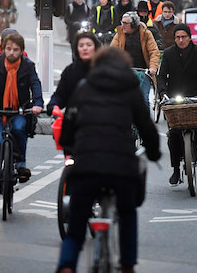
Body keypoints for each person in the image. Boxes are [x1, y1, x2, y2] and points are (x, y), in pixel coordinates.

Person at [55, 47, 161, 273]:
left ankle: (66, 266)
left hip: (86, 166)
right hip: (121, 167)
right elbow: (146, 127)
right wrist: (154, 153)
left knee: (76, 224)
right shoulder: (130, 89)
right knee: (127, 213)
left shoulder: (84, 87)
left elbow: (67, 129)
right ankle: (127, 265)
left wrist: (72, 146)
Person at [0, 33, 43, 195]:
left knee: (20, 129)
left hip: (20, 109)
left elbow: (35, 84)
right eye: (8, 49)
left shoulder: (27, 65)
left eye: (15, 50)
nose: (11, 53)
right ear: (3, 49)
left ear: (21, 51)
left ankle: (21, 164)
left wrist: (38, 104)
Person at [157, 24, 197, 185]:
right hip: (174, 96)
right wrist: (162, 92)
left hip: (195, 93)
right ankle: (176, 170)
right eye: (177, 37)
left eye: (184, 37)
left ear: (189, 37)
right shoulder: (168, 54)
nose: (181, 40)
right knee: (174, 134)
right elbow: (161, 76)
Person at [111, 11, 160, 107]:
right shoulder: (120, 34)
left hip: (144, 71)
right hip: (125, 72)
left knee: (144, 100)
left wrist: (153, 67)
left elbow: (154, 52)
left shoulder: (146, 34)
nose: (123, 25)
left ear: (133, 24)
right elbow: (113, 51)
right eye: (122, 22)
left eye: (125, 23)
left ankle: (144, 121)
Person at [47, 31, 101, 115]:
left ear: (95, 48)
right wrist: (53, 105)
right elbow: (60, 95)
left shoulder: (104, 69)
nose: (85, 48)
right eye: (81, 45)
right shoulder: (70, 71)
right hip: (75, 118)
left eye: (89, 45)